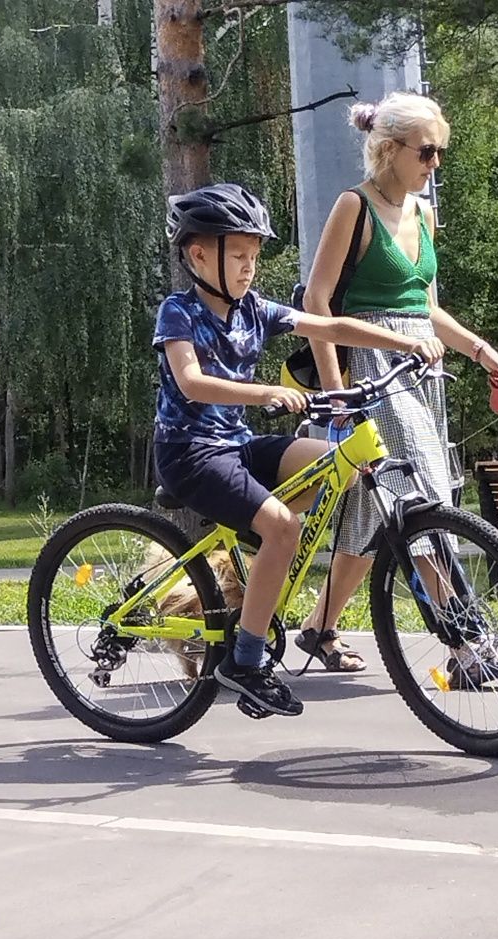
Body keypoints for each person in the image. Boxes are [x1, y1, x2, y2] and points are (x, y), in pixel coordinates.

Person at [153, 182, 444, 718]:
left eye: (254, 256)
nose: (249, 267)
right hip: (190, 453)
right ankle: (244, 660)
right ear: (198, 254)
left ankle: (261, 542)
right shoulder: (179, 312)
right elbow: (191, 382)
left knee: (343, 466)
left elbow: (328, 321)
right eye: (238, 254)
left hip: (236, 445)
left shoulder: (253, 310)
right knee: (284, 525)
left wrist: (407, 340)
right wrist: (266, 392)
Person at [296, 92, 498, 683]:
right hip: (371, 372)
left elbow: (426, 311)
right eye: (427, 151)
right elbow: (316, 304)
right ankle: (467, 644)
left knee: (372, 515)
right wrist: (335, 391)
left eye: (440, 151)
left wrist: (480, 349)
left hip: (421, 371)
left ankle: (318, 628)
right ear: (390, 149)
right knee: (424, 501)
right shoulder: (354, 206)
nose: (435, 163)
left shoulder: (422, 214)